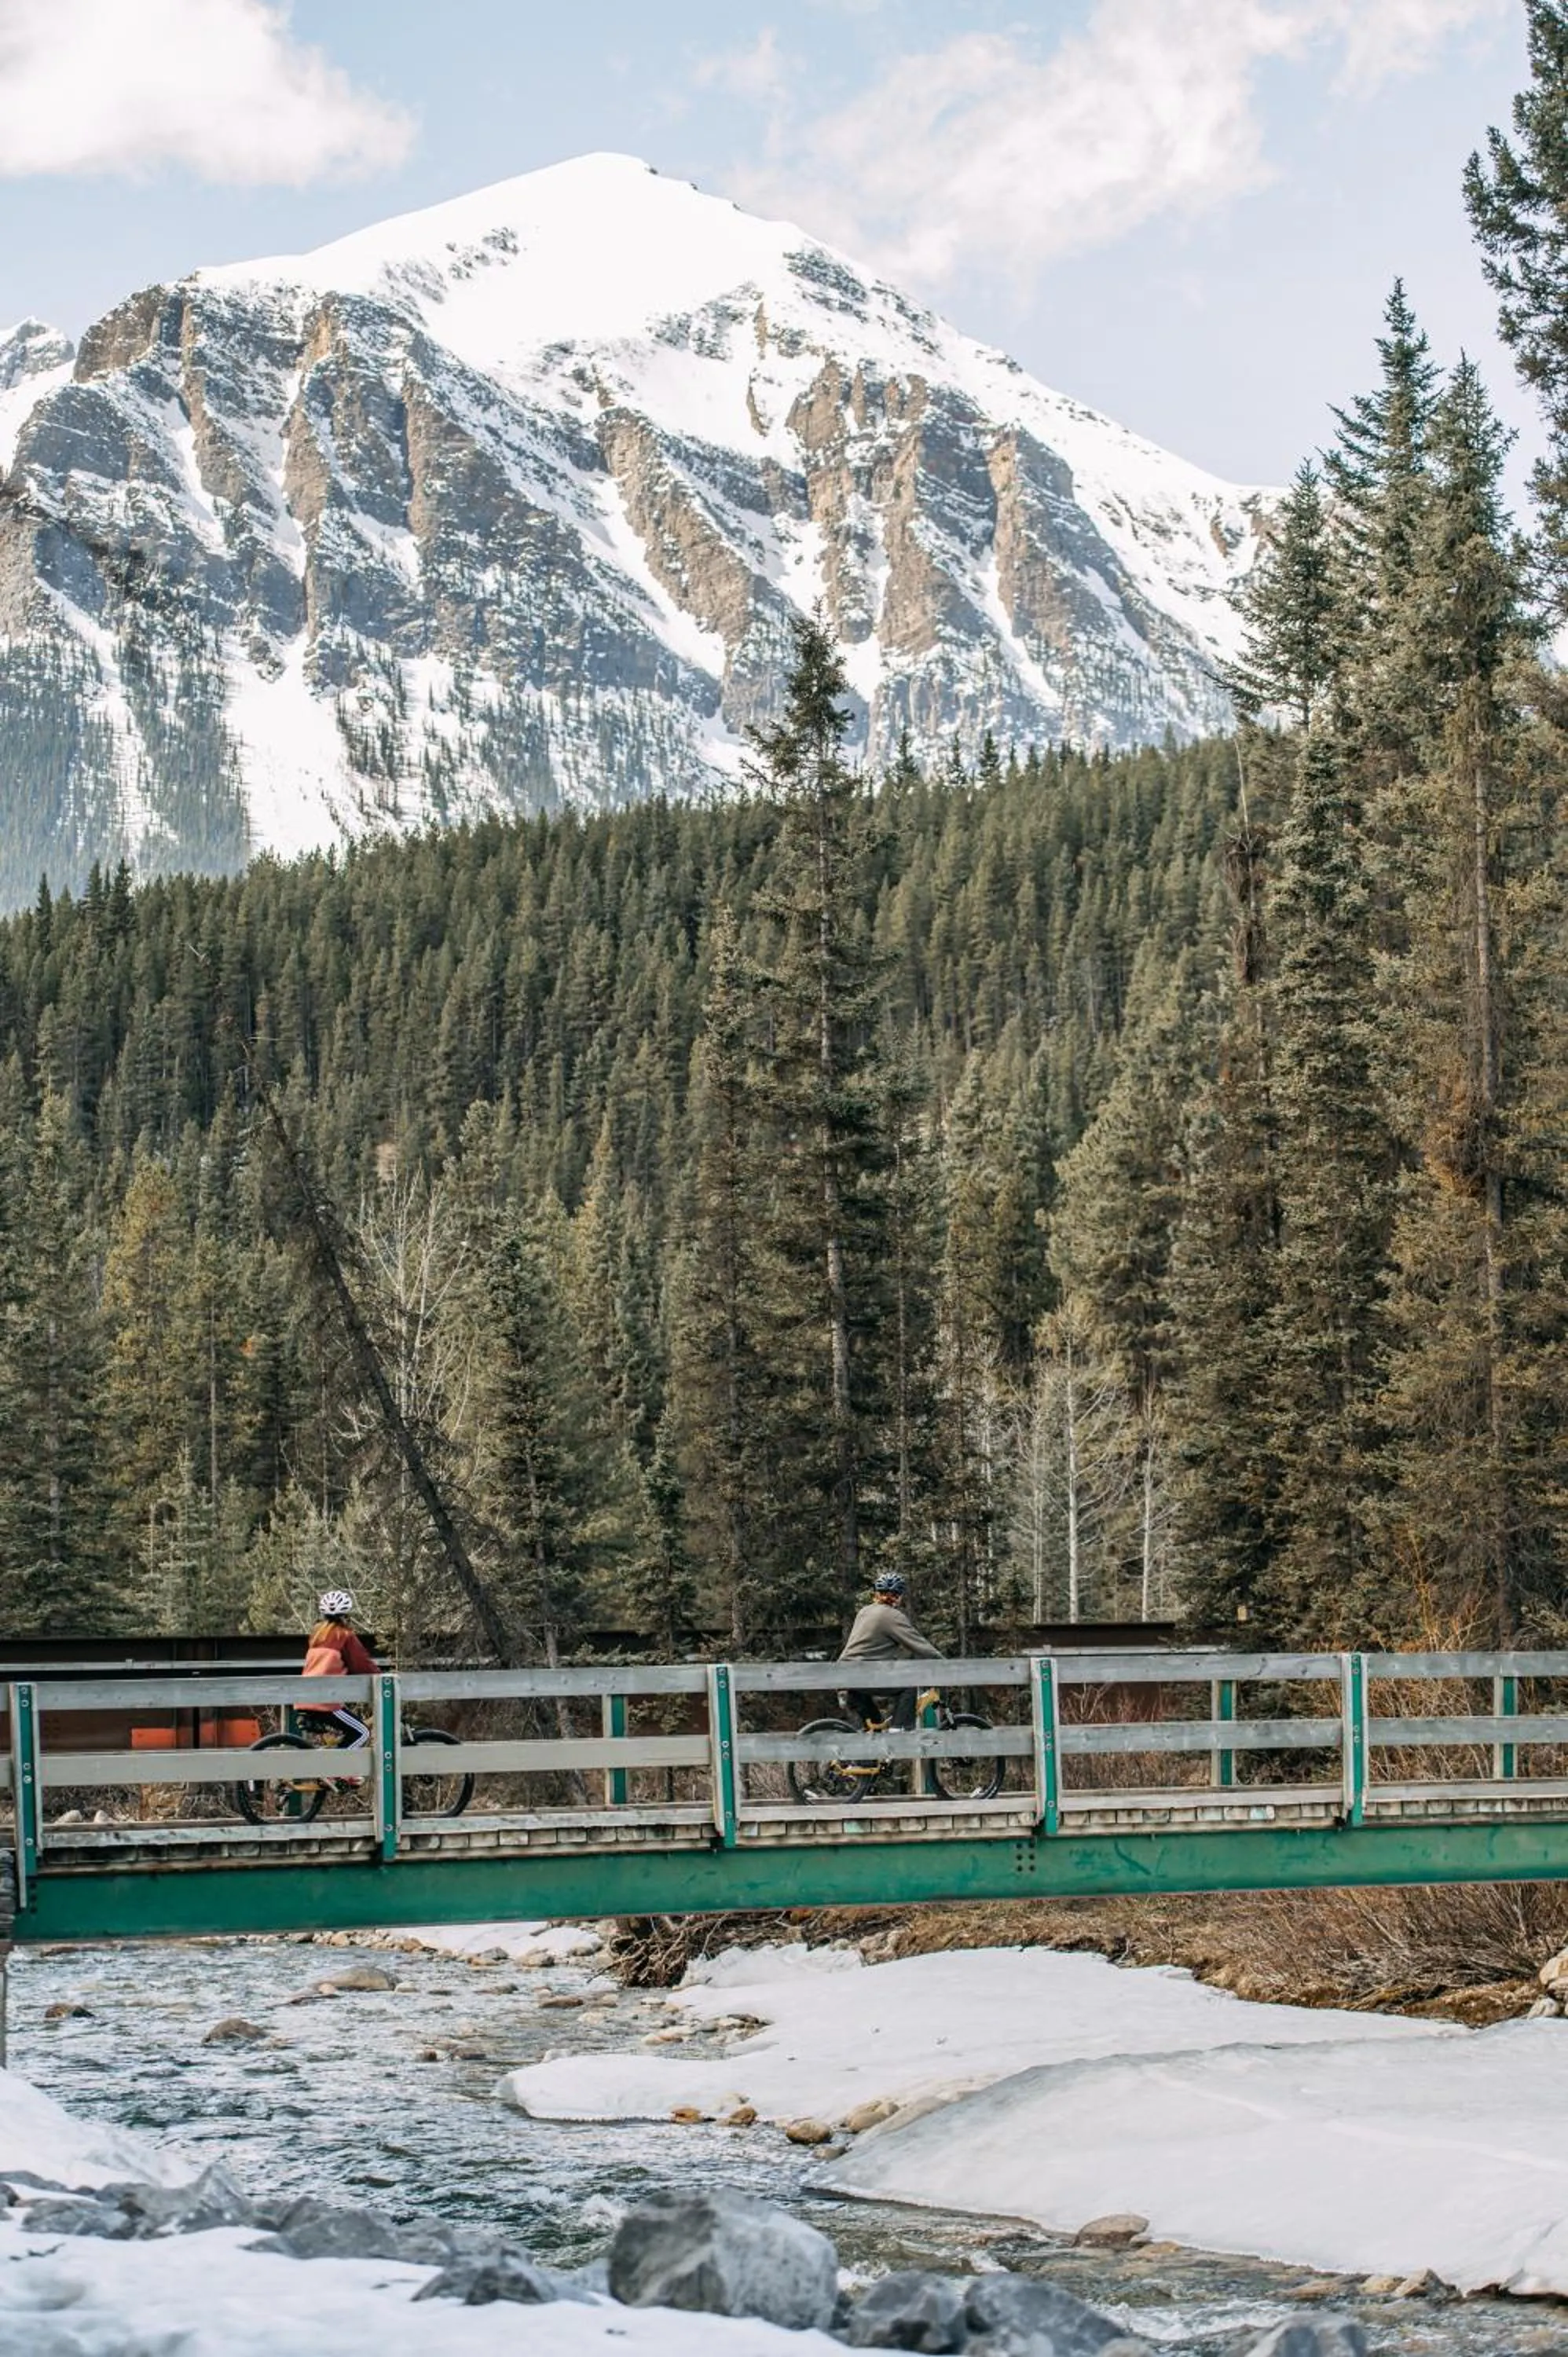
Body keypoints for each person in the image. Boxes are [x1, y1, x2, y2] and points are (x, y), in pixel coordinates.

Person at [837, 1571, 942, 1732]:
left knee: (875, 1730)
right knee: (909, 1684)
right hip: (862, 1676)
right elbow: (919, 1645)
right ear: (899, 1595)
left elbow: (871, 1646)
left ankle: (867, 1758)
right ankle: (898, 1731)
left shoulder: (865, 1611)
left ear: (877, 1593)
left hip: (843, 1678)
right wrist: (946, 1664)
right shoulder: (892, 1616)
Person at [299, 1590, 380, 1750]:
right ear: (346, 1616)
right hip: (325, 1702)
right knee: (362, 1732)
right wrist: (382, 1678)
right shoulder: (344, 1636)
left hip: (305, 1698)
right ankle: (338, 1772)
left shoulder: (317, 1635)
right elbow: (361, 1665)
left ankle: (335, 1767)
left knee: (349, 1732)